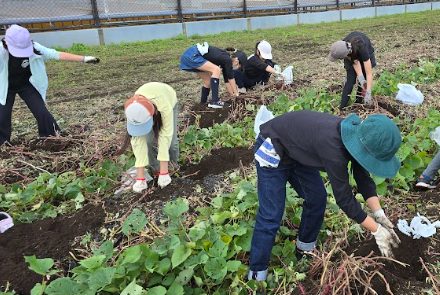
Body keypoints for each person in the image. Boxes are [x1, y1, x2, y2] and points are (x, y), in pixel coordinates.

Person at [248, 110, 401, 284]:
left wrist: (379, 213)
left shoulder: (356, 139)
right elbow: (344, 199)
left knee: (317, 198)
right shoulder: (334, 149)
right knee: (271, 215)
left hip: (298, 151)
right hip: (273, 145)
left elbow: (363, 178)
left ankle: (304, 249)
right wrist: (376, 230)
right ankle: (256, 275)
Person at [0, 24, 99, 145]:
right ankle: (3, 144)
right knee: (2, 115)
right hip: (4, 86)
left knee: (41, 111)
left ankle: (51, 138)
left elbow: (56, 54)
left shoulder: (34, 47)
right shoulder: (1, 51)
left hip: (26, 85)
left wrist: (84, 58)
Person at [124, 82, 179, 193]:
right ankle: (156, 170)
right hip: (148, 105)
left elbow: (165, 135)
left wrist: (165, 172)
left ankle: (172, 168)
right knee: (149, 142)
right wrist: (140, 178)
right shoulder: (132, 110)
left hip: (168, 98)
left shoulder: (164, 105)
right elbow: (137, 142)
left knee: (172, 144)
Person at [180, 43, 239, 109]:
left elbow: (227, 80)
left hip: (187, 56)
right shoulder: (227, 59)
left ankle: (202, 103)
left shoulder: (223, 59)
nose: (233, 67)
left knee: (207, 81)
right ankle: (215, 101)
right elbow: (231, 78)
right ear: (236, 60)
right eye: (236, 66)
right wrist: (236, 93)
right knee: (216, 69)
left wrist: (233, 94)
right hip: (193, 55)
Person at [329, 32, 376, 109]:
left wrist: (368, 91)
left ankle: (359, 102)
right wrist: (362, 80)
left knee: (365, 76)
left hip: (365, 51)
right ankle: (342, 107)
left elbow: (369, 73)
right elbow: (355, 62)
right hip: (351, 53)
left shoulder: (362, 47)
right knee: (350, 81)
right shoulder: (342, 47)